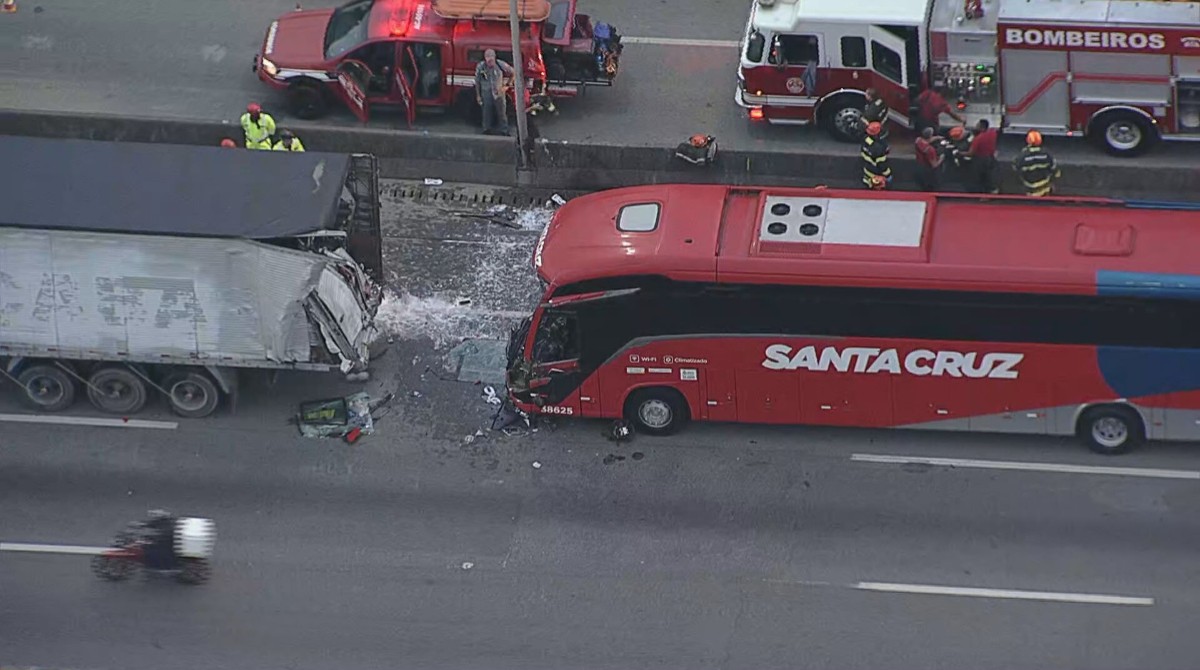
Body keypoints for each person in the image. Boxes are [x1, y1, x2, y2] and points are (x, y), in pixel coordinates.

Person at [475, 48, 515, 136]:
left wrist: (507, 86)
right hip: (486, 94)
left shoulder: (500, 64)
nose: (490, 62)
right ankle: (486, 130)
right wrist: (478, 95)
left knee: (502, 113)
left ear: (494, 57)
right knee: (486, 113)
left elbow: (513, 72)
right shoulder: (480, 67)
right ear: (485, 58)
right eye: (488, 58)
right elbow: (477, 82)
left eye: (491, 59)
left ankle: (504, 131)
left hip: (499, 94)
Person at [1012, 130, 1061, 196]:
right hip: (1045, 189)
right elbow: (1055, 170)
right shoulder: (1047, 154)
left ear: (1028, 140)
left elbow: (1016, 168)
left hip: (1029, 189)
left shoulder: (1022, 156)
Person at [964, 118, 999, 194]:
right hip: (990, 157)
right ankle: (993, 189)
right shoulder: (992, 133)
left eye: (977, 126)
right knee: (989, 175)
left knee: (981, 176)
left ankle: (984, 194)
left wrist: (960, 153)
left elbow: (971, 153)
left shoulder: (978, 139)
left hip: (981, 159)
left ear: (982, 128)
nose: (976, 127)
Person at [860, 122, 892, 189]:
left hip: (867, 172)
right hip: (876, 177)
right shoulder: (878, 149)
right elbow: (882, 165)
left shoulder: (867, 140)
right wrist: (888, 175)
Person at [914, 127, 944, 191]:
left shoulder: (918, 140)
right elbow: (934, 165)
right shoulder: (930, 150)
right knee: (930, 186)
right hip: (927, 170)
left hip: (919, 165)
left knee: (921, 184)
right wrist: (941, 158)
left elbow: (927, 140)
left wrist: (937, 137)